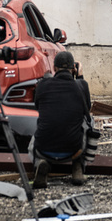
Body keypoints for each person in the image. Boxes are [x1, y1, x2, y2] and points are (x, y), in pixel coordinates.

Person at [32, 51, 91, 189]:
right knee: (89, 121)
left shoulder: (42, 85)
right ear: (73, 69)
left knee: (40, 124)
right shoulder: (81, 85)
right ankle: (78, 167)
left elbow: (37, 106)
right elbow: (86, 110)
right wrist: (80, 76)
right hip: (73, 150)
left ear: (54, 68)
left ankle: (41, 163)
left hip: (43, 149)